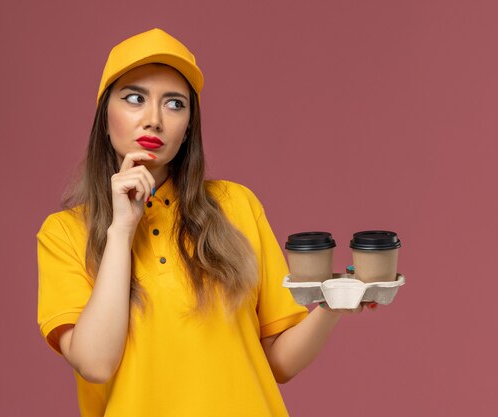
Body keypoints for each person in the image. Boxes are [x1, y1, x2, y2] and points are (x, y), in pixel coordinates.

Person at [37, 28, 375, 417]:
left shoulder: (236, 206)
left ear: (187, 130)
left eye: (175, 104)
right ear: (105, 115)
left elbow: (278, 362)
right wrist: (122, 229)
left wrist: (333, 304)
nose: (154, 119)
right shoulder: (63, 233)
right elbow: (95, 364)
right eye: (134, 98)